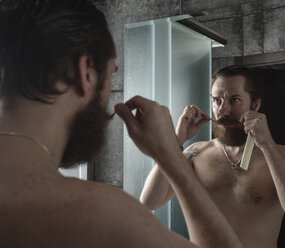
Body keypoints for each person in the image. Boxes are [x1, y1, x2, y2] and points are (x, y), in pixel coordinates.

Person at [0, 1, 245, 247]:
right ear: (84, 73)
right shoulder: (96, 215)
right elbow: (149, 202)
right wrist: (170, 151)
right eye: (110, 75)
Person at [140, 66, 285, 248]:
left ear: (255, 105)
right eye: (216, 100)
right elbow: (149, 202)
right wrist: (176, 141)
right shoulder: (196, 153)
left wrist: (267, 145)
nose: (223, 110)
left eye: (234, 100)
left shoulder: (283, 155)